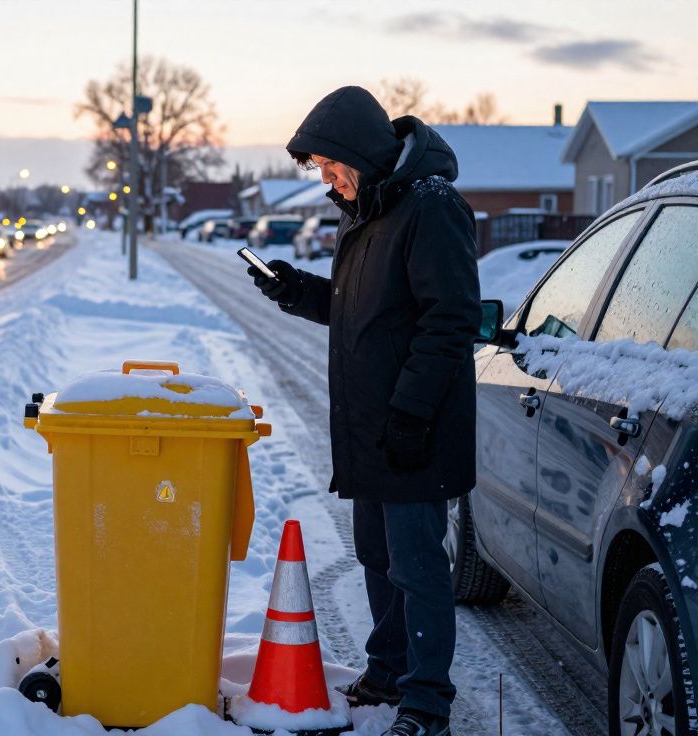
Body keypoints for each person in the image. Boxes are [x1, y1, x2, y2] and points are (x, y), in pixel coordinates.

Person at [249, 86, 479, 736]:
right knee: (378, 557)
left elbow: (450, 319)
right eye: (318, 170)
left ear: (358, 152)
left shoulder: (430, 207)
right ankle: (388, 673)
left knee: (418, 566)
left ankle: (427, 703)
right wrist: (296, 291)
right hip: (371, 429)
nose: (325, 180)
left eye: (328, 166)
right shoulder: (366, 209)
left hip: (415, 428)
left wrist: (410, 415)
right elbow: (361, 309)